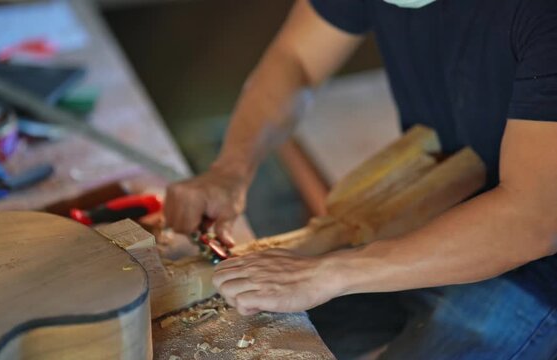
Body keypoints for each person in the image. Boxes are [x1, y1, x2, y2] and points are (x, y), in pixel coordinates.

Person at [164, 0, 557, 358]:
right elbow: (297, 59)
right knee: (244, 326)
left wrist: (330, 273)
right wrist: (230, 170)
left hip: (536, 271)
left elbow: (531, 219)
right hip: (439, 202)